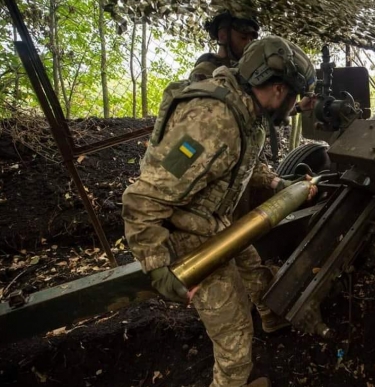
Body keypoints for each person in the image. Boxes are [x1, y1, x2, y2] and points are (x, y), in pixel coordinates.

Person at [122, 36, 317, 387]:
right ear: (277, 89)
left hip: (212, 221)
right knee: (235, 339)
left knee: (255, 271)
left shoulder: (245, 111)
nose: (294, 106)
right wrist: (158, 268)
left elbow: (239, 162)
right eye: (294, 97)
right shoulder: (213, 121)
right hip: (187, 239)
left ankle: (272, 318)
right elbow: (142, 200)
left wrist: (277, 185)